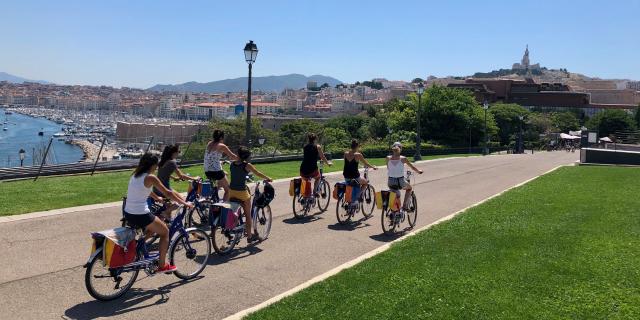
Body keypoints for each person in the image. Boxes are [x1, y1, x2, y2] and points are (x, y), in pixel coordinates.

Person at [123, 153, 193, 274]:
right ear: (153, 165)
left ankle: (140, 245)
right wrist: (185, 203)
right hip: (140, 214)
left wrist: (156, 197)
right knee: (165, 232)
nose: (156, 167)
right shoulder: (150, 177)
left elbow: (145, 190)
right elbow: (168, 193)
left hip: (129, 213)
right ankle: (162, 265)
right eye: (156, 165)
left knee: (154, 227)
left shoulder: (135, 174)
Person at [229, 146, 272, 242]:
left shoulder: (232, 164)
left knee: (234, 210)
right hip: (241, 193)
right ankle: (249, 236)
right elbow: (257, 173)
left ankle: (235, 226)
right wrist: (268, 178)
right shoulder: (247, 165)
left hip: (231, 192)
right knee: (248, 216)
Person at [151, 145, 198, 218]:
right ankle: (164, 213)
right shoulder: (172, 162)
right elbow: (181, 175)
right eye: (178, 152)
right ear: (173, 153)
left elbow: (163, 173)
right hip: (165, 189)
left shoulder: (162, 161)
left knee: (169, 206)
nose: (178, 154)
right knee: (181, 202)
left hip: (156, 188)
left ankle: (167, 221)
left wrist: (173, 178)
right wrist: (194, 178)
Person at [386, 142, 423, 211]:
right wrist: (419, 171)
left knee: (395, 192)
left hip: (390, 181)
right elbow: (412, 167)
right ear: (401, 149)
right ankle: (405, 206)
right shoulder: (403, 158)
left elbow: (388, 168)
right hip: (400, 181)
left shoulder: (388, 158)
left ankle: (395, 210)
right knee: (409, 188)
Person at [204, 130, 238, 201]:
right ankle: (222, 209)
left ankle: (216, 197)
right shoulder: (222, 146)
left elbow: (211, 157)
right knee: (228, 190)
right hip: (216, 171)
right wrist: (241, 159)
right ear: (221, 138)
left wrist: (219, 161)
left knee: (225, 173)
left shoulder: (209, 143)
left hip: (207, 171)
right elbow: (232, 156)